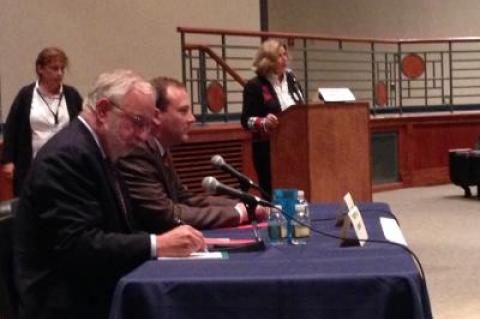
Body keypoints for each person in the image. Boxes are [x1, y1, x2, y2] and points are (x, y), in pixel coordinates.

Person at [13, 70, 206, 319]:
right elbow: (80, 246)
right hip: (66, 304)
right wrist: (157, 244)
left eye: (149, 126)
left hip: (93, 290)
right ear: (103, 110)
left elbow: (119, 228)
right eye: (138, 123)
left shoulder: (100, 150)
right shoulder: (67, 156)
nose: (144, 136)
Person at [117, 77, 265, 233]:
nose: (192, 118)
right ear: (156, 116)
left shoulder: (160, 148)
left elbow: (185, 199)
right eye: (183, 111)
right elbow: (166, 216)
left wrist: (245, 204)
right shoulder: (137, 151)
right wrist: (239, 213)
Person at [1, 47, 83, 196]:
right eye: (54, 68)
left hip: (66, 166)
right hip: (31, 165)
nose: (59, 73)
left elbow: (82, 128)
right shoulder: (25, 95)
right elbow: (12, 129)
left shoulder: (71, 95)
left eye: (62, 69)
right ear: (40, 69)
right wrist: (8, 161)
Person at [241, 39, 304, 197]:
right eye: (279, 56)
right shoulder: (254, 86)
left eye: (285, 55)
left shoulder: (292, 80)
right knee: (273, 195)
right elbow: (246, 120)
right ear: (267, 60)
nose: (284, 59)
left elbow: (300, 107)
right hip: (268, 149)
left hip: (295, 147)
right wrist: (263, 122)